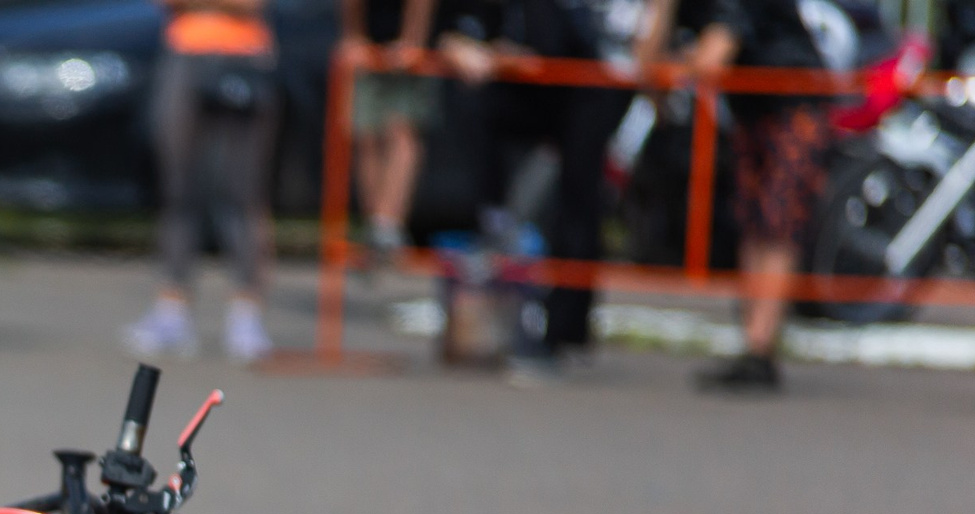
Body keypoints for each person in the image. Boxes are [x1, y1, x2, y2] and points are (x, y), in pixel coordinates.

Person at [641, 0, 835, 391]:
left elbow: (711, 59)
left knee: (778, 223)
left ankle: (760, 349)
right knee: (752, 222)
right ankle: (752, 345)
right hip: (752, 110)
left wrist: (677, 64)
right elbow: (646, 64)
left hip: (795, 101)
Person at [439, 0, 634, 381]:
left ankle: (565, 333)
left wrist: (518, 55)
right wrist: (462, 47)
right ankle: (492, 213)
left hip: (583, 86)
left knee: (577, 205)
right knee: (475, 105)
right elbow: (456, 29)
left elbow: (570, 39)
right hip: (533, 88)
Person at [122, 0, 282, 362]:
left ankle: (246, 313)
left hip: (246, 56)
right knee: (178, 190)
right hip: (185, 54)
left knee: (242, 192)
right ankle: (172, 309)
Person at [342, 0, 440, 265]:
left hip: (409, 47)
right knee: (365, 133)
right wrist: (354, 37)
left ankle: (388, 224)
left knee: (402, 132)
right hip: (371, 42)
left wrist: (412, 40)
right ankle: (376, 228)